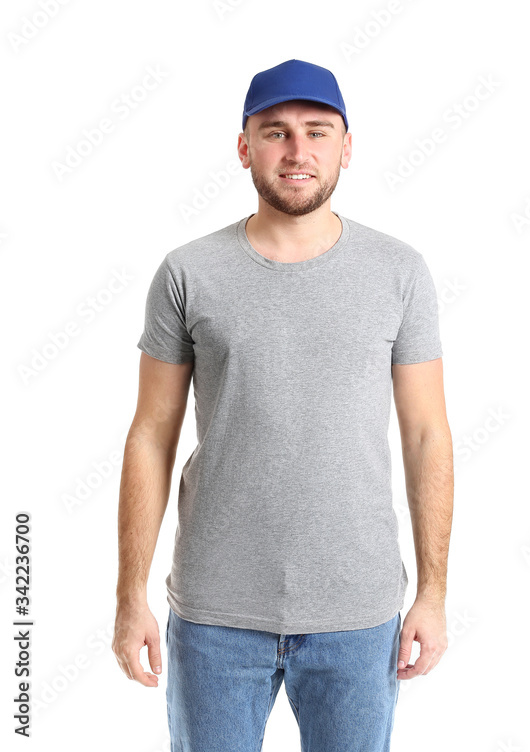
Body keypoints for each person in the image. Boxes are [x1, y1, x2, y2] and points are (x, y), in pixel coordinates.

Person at [112, 58, 454, 751]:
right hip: (214, 613)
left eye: (317, 132)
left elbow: (427, 435)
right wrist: (129, 599)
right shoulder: (188, 272)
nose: (298, 152)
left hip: (358, 615)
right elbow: (150, 435)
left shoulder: (399, 272)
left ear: (347, 147)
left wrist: (433, 593)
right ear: (244, 147)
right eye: (276, 133)